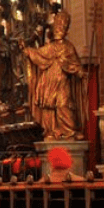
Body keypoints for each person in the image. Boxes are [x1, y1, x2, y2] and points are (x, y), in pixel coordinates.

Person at [21, 10, 86, 140]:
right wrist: (26, 50)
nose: (59, 29)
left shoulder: (68, 47)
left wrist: (79, 71)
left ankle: (69, 131)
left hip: (62, 82)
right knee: (48, 107)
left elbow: (74, 63)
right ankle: (51, 131)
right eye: (57, 26)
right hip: (48, 82)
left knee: (64, 104)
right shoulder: (50, 47)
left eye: (62, 26)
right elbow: (38, 54)